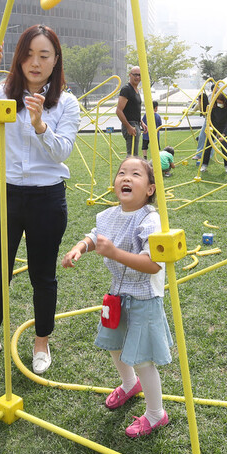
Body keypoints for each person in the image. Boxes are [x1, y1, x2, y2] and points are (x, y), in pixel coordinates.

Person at [0, 25, 80, 375]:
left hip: (47, 199)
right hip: (4, 194)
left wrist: (40, 125)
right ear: (18, 57)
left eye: (44, 55)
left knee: (43, 275)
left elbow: (62, 152)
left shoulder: (66, 103)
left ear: (56, 61)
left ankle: (41, 343)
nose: (35, 63)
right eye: (28, 54)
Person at [61, 157, 173, 438]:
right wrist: (79, 248)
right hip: (118, 294)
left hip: (145, 297)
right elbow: (95, 236)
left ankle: (156, 413)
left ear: (149, 189)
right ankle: (129, 384)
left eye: (136, 174)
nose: (126, 177)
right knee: (114, 343)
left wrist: (114, 253)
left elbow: (153, 264)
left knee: (143, 358)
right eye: (122, 172)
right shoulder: (109, 215)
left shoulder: (150, 219)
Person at [200, 89, 227, 174]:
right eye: (218, 102)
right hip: (213, 127)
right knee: (208, 146)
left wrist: (224, 134)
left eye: (221, 102)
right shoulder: (213, 106)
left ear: (225, 101)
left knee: (224, 147)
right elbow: (209, 119)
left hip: (223, 128)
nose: (219, 104)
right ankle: (204, 165)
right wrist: (208, 129)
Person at [116, 66, 143, 156]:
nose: (137, 77)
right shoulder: (126, 89)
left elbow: (133, 110)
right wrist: (128, 127)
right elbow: (119, 111)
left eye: (139, 75)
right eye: (135, 75)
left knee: (134, 154)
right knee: (132, 155)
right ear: (130, 75)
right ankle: (128, 170)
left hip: (136, 124)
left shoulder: (136, 90)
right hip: (130, 125)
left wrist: (141, 122)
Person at [194, 83, 213, 164]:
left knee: (210, 139)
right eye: (198, 99)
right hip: (206, 121)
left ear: (203, 100)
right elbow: (192, 111)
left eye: (199, 99)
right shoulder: (198, 105)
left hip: (212, 121)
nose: (198, 101)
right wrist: (186, 112)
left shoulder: (209, 105)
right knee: (202, 137)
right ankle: (199, 154)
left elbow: (212, 115)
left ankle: (208, 155)